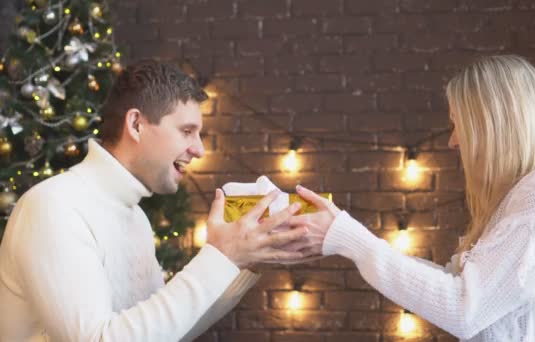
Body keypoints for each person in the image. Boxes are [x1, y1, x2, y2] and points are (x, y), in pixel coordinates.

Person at [288, 55, 535, 341]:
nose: (453, 141)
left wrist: (349, 238)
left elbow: (463, 308)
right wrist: (343, 238)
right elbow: (458, 285)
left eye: (458, 124)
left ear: (494, 124)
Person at [0, 60, 310, 341]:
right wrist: (221, 256)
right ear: (136, 124)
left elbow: (163, 333)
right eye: (187, 131)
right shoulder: (54, 207)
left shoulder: (135, 217)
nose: (199, 150)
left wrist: (243, 260)